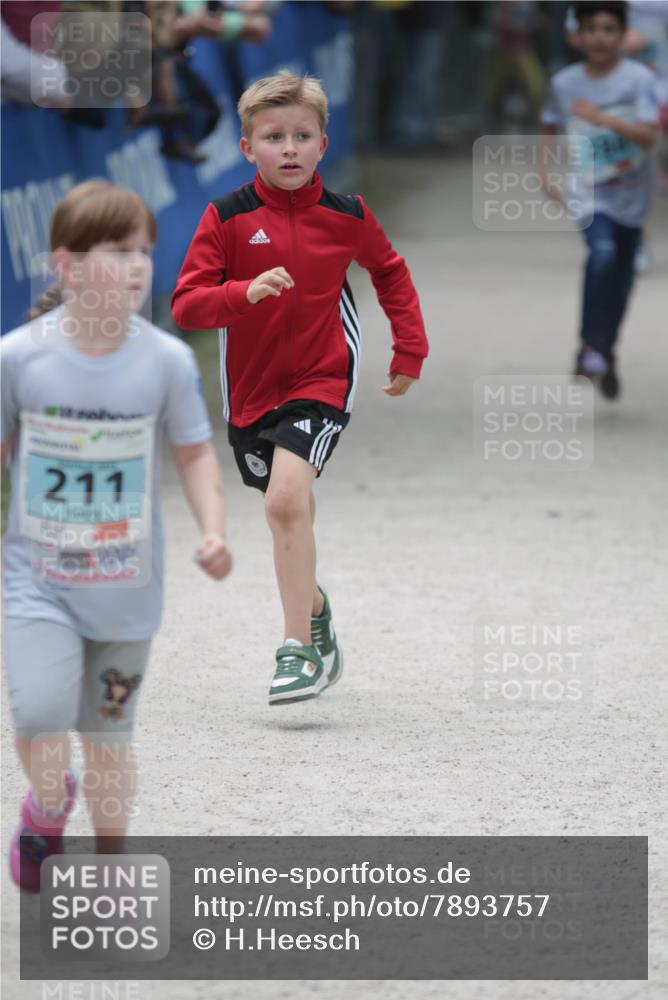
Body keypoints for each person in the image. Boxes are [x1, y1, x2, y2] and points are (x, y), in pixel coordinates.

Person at [1, 180, 233, 891]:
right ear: (66, 264)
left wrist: (214, 530)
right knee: (39, 715)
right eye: (118, 252)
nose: (137, 268)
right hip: (39, 582)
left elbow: (195, 454)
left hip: (128, 589)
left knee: (108, 739)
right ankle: (47, 805)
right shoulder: (18, 358)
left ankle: (109, 871)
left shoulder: (166, 361)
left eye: (144, 252)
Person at [171, 71, 428, 706]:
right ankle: (314, 609)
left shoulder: (348, 215)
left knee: (286, 501)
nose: (289, 149)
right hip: (250, 390)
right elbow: (187, 305)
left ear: (323, 144)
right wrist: (243, 293)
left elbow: (390, 273)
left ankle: (296, 651)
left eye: (302, 136)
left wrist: (410, 348)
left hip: (322, 376)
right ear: (246, 148)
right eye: (273, 137)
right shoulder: (226, 216)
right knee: (286, 510)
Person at [540, 0, 661, 398]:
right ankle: (590, 346)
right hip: (588, 192)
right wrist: (545, 173)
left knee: (622, 280)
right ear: (577, 35)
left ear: (623, 34)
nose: (599, 38)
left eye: (609, 29)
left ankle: (606, 350)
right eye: (591, 29)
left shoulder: (640, 80)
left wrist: (604, 119)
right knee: (602, 254)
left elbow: (648, 137)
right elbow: (549, 123)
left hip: (631, 194)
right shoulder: (565, 83)